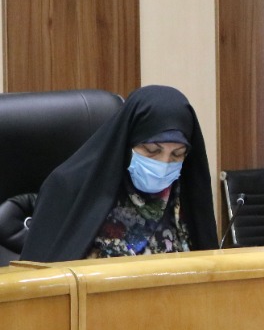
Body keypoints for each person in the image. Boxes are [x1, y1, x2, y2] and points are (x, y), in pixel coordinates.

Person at [21, 85, 217, 262]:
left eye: (177, 154)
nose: (163, 164)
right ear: (126, 141)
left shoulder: (185, 192)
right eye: (152, 150)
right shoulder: (69, 188)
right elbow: (36, 278)